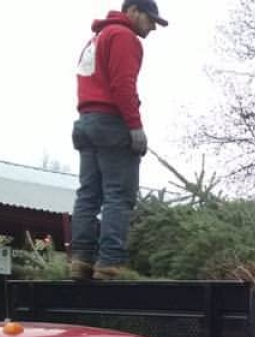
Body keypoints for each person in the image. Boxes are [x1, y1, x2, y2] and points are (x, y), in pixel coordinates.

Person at [69, 1, 168, 281]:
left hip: (86, 121)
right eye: (150, 20)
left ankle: (81, 260)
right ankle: (109, 263)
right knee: (118, 195)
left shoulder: (96, 38)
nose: (152, 27)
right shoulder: (124, 37)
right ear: (133, 11)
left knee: (88, 194)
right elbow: (122, 85)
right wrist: (135, 127)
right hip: (111, 122)